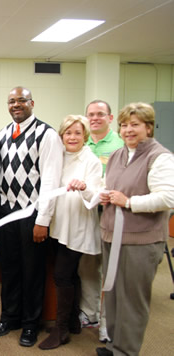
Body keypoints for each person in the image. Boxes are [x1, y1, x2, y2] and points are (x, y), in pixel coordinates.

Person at [96, 102, 174, 356]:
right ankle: (114, 344)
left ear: (148, 127)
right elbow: (111, 185)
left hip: (140, 241)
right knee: (114, 294)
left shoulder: (159, 156)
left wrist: (129, 202)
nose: (128, 130)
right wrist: (105, 195)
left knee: (133, 300)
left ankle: (126, 351)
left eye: (135, 125)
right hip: (111, 234)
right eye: (124, 125)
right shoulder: (119, 154)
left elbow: (168, 198)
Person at [0, 86, 63, 347]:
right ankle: (10, 317)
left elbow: (51, 180)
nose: (16, 105)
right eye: (11, 101)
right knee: (8, 268)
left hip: (32, 214)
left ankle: (31, 325)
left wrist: (43, 219)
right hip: (7, 212)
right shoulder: (4, 133)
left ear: (32, 103)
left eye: (21, 100)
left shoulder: (47, 134)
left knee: (32, 271)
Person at [38, 115, 103, 350]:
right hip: (58, 225)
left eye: (77, 133)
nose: (72, 137)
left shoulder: (91, 161)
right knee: (70, 275)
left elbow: (95, 198)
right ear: (61, 135)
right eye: (68, 133)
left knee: (62, 276)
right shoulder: (59, 156)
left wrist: (85, 187)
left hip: (77, 227)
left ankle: (62, 329)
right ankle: (74, 321)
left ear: (84, 135)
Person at [78, 100, 124, 343]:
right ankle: (90, 313)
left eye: (100, 114)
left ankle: (108, 324)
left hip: (112, 214)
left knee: (111, 270)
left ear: (111, 117)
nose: (94, 118)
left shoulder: (119, 144)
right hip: (86, 214)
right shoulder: (82, 142)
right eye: (91, 114)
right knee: (88, 266)